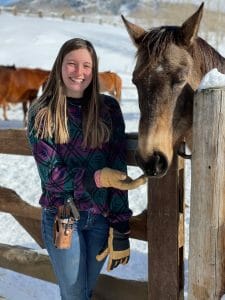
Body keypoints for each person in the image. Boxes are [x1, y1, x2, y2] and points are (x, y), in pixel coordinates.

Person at [27, 37, 146, 300]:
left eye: (86, 66)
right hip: (63, 215)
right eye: (72, 64)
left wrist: (122, 228)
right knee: (75, 296)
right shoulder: (42, 112)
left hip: (100, 219)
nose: (79, 72)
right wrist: (98, 177)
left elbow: (117, 168)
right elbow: (53, 178)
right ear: (60, 66)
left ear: (94, 70)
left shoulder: (109, 109)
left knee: (83, 292)